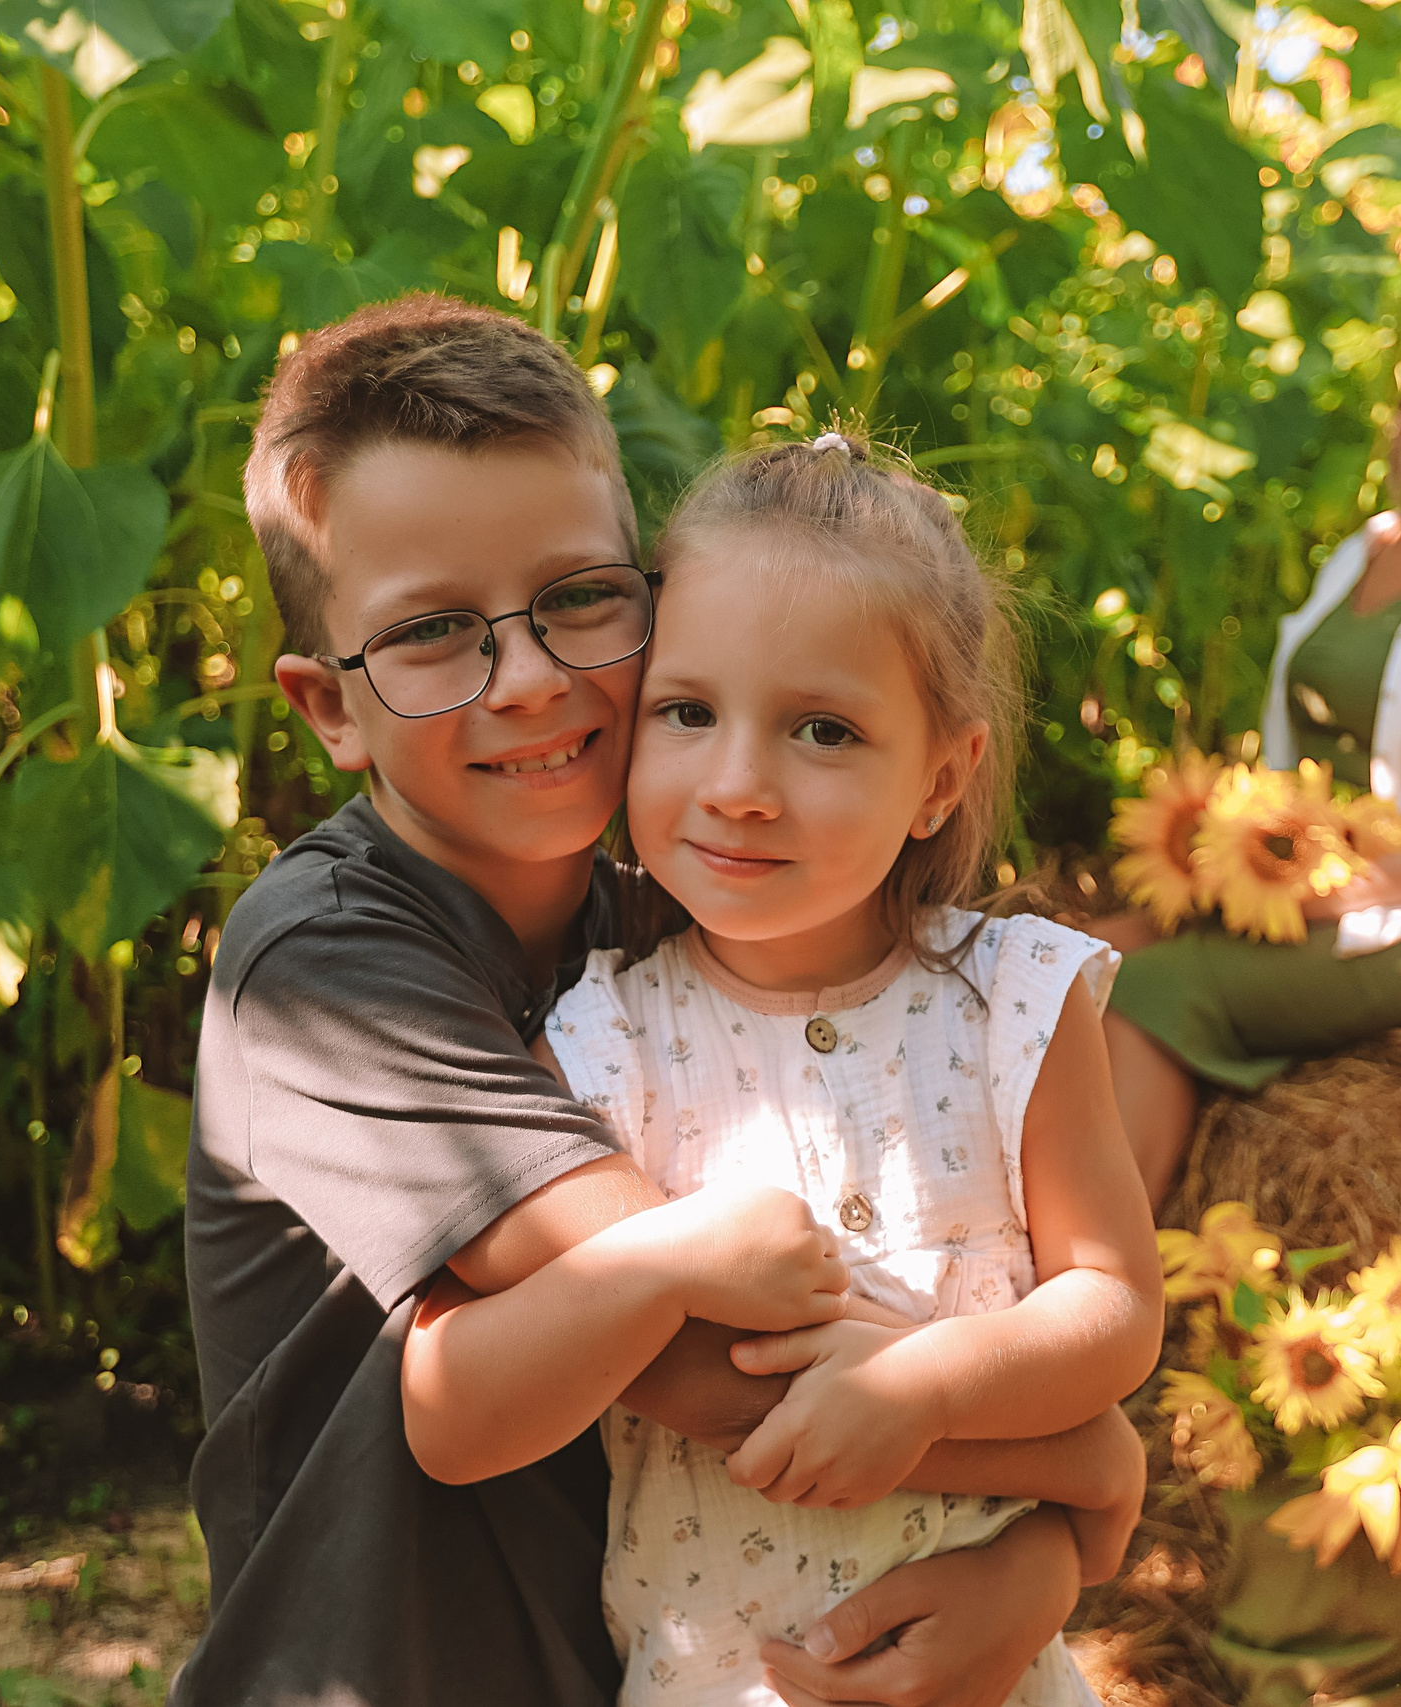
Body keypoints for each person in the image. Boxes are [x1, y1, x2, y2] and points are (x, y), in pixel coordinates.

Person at [178, 297, 1147, 1707]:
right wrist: (1086, 1471)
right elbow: (707, 1357)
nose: (530, 678)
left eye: (579, 597)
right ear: (330, 706)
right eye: (434, 632)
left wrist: (1042, 1561)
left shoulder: (667, 923)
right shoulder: (327, 968)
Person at [398, 432, 1167, 1707]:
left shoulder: (1014, 1005)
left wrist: (924, 1383)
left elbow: (1112, 1308)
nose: (740, 787)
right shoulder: (602, 1040)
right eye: (686, 714)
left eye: (822, 729)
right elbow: (465, 1395)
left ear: (941, 777)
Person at [1099, 304, 1401, 1207]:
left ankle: (1100, 1290)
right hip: (1301, 879)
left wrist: (1343, 892)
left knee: (1150, 989)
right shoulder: (1369, 549)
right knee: (1072, 957)